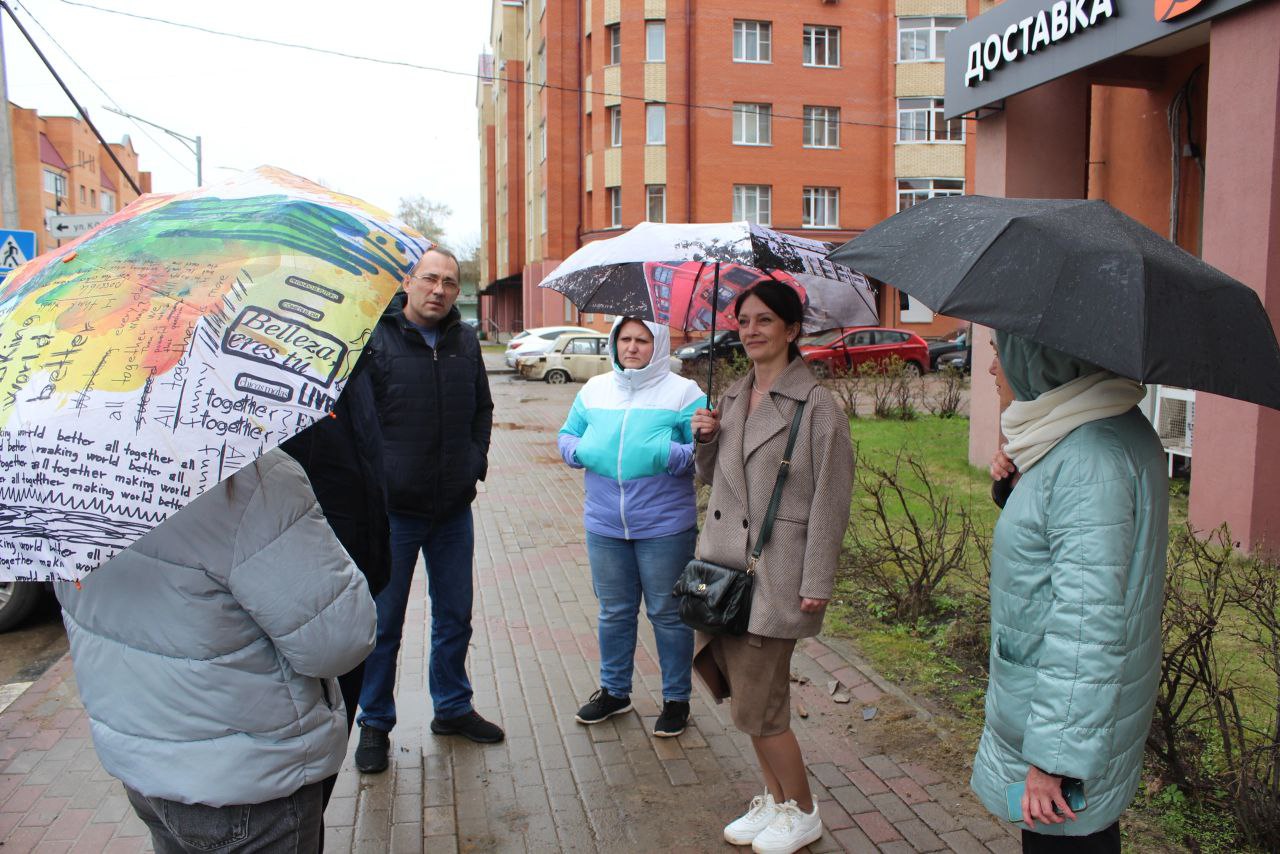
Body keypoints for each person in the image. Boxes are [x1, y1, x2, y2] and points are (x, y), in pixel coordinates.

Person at [55, 449, 377, 853]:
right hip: (248, 784)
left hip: (143, 768)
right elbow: (339, 641)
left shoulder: (65, 472)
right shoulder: (249, 481)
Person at [970, 331, 1167, 853]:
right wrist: (1015, 488)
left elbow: (1086, 627)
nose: (993, 369)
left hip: (1062, 728)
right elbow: (1063, 557)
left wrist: (1054, 761)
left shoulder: (1086, 459)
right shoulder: (1094, 430)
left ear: (1040, 359)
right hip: (1076, 715)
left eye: (999, 352)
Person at [689, 280, 854, 854]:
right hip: (725, 574)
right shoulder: (733, 397)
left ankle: (803, 810)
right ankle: (775, 798)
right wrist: (705, 440)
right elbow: (715, 483)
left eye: (764, 320)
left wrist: (816, 582)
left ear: (791, 329)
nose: (751, 330)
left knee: (763, 707)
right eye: (742, 320)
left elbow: (832, 502)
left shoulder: (818, 408)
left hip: (776, 574)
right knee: (745, 700)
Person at [356, 246, 500, 775]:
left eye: (449, 283)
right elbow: (357, 422)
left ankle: (453, 707)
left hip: (452, 511)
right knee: (384, 623)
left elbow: (482, 408)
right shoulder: (377, 339)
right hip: (393, 514)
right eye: (430, 279)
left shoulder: (464, 340)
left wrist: (474, 461)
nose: (439, 290)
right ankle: (373, 722)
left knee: (454, 617)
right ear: (409, 282)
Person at [557, 317, 706, 737]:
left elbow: (702, 449)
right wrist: (583, 450)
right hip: (605, 525)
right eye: (625, 338)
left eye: (643, 340)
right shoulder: (595, 389)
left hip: (664, 526)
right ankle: (615, 692)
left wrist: (664, 454)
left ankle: (676, 699)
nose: (633, 347)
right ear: (614, 342)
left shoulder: (684, 392)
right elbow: (567, 436)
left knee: (667, 614)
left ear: (657, 346)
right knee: (614, 613)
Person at [280, 349, 391, 814]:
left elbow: (368, 457)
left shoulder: (356, 362)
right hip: (300, 588)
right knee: (299, 756)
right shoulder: (269, 376)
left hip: (353, 571)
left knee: (328, 735)